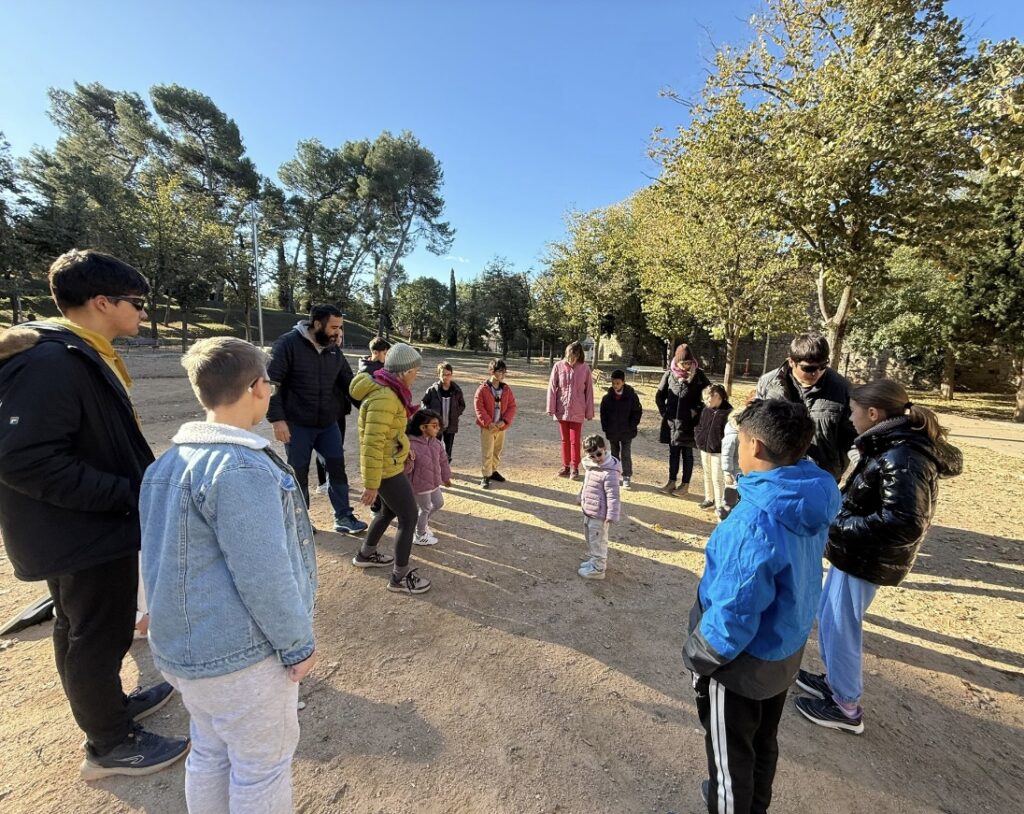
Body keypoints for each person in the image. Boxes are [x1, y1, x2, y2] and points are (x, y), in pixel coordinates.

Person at [0, 249, 189, 780]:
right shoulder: (52, 361)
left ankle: (111, 710)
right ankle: (109, 744)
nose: (143, 314)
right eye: (136, 303)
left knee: (85, 629)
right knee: (95, 634)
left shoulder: (79, 351)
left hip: (83, 527)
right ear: (102, 302)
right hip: (80, 532)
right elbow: (24, 458)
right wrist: (127, 493)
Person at [140, 338, 317, 811]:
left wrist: (144, 610)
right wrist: (297, 642)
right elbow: (265, 573)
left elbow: (150, 548)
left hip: (181, 651)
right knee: (262, 767)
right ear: (257, 388)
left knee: (211, 750)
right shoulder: (241, 467)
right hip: (239, 656)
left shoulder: (164, 463)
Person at [682, 399, 842, 814]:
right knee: (761, 742)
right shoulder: (808, 495)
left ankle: (729, 802)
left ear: (753, 446)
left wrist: (700, 656)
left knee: (730, 756)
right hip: (783, 650)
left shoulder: (752, 522)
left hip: (738, 666)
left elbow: (735, 609)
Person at [794, 380, 962, 735]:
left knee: (842, 626)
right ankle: (836, 682)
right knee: (830, 617)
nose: (850, 419)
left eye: (853, 411)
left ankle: (846, 706)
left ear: (873, 413)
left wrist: (839, 524)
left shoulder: (903, 455)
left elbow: (904, 522)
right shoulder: (887, 444)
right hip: (854, 553)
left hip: (866, 558)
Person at [267, 304, 367, 534]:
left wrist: (369, 406)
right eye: (334, 327)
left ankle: (343, 517)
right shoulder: (287, 344)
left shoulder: (333, 350)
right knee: (298, 473)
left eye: (340, 328)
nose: (337, 333)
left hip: (327, 423)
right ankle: (300, 521)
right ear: (317, 324)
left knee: (337, 467)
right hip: (296, 424)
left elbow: (349, 384)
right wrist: (276, 419)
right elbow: (271, 383)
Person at [349, 343, 433, 594]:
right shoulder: (386, 398)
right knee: (409, 518)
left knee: (387, 513)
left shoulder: (391, 392)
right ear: (405, 371)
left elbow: (389, 435)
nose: (417, 376)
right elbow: (372, 444)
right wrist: (372, 484)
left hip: (390, 465)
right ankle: (400, 577)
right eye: (415, 371)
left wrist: (405, 449)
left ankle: (366, 554)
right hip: (386, 471)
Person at [756, 333, 857, 482]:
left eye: (823, 366)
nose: (817, 373)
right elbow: (756, 427)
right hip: (778, 473)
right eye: (809, 368)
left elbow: (852, 437)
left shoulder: (843, 389)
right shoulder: (767, 384)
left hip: (822, 477)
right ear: (791, 362)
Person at [655, 343, 710, 495]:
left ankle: (685, 485)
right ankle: (671, 482)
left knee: (687, 454)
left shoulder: (699, 375)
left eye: (689, 363)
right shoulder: (669, 375)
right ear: (676, 362)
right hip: (672, 423)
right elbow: (659, 396)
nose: (686, 366)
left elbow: (709, 396)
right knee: (673, 453)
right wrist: (665, 412)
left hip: (690, 424)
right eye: (683, 363)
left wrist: (698, 413)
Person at [546, 340, 595, 479]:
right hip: (562, 408)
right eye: (568, 355)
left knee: (575, 440)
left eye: (573, 355)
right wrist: (551, 407)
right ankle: (566, 466)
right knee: (564, 440)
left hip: (577, 410)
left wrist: (589, 412)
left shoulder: (585, 368)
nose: (570, 358)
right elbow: (552, 387)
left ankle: (575, 467)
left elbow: (589, 392)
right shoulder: (558, 366)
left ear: (579, 354)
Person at [576, 435, 622, 580]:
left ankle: (598, 568)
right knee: (590, 538)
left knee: (599, 540)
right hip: (589, 510)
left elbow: (613, 495)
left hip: (600, 514)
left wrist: (612, 515)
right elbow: (587, 484)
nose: (596, 458)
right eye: (592, 455)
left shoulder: (610, 472)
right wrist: (580, 496)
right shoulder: (591, 466)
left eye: (599, 454)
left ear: (605, 449)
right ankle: (594, 561)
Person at [405, 409, 452, 547]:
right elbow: (406, 470)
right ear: (422, 427)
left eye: (438, 425)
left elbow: (443, 461)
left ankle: (422, 523)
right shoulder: (410, 444)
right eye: (434, 425)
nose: (438, 428)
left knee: (438, 503)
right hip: (419, 485)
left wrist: (446, 477)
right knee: (425, 508)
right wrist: (408, 460)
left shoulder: (436, 443)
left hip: (433, 482)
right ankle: (419, 535)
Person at [475, 358, 518, 489]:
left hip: (501, 426)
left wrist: (504, 421)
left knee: (497, 450)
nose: (503, 375)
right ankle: (486, 475)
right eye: (500, 371)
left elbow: (512, 406)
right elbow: (479, 407)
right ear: (491, 371)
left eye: (504, 372)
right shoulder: (483, 389)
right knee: (487, 451)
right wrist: (488, 423)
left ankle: (493, 470)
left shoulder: (506, 389)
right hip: (488, 427)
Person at [694, 384, 733, 521]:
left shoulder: (728, 412)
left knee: (718, 478)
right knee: (707, 473)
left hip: (718, 451)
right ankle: (708, 498)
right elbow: (700, 426)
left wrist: (720, 446)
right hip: (705, 448)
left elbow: (729, 434)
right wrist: (699, 439)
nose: (705, 402)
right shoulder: (706, 410)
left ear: (717, 396)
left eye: (708, 399)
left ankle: (719, 504)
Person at [599, 369, 643, 489]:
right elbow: (603, 414)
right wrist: (606, 428)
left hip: (627, 432)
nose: (615, 385)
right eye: (613, 383)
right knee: (614, 454)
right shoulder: (607, 398)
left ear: (623, 382)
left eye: (617, 383)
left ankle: (627, 476)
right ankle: (614, 474)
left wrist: (632, 426)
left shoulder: (632, 396)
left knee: (626, 454)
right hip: (612, 431)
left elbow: (637, 412)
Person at [421, 362, 467, 463]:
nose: (446, 377)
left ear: (451, 375)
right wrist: (430, 415)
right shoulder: (432, 390)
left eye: (448, 374)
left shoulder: (457, 391)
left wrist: (455, 413)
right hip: (436, 426)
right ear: (438, 375)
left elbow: (462, 405)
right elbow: (424, 403)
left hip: (450, 425)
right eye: (443, 374)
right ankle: (435, 466)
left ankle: (446, 467)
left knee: (448, 450)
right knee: (434, 447)